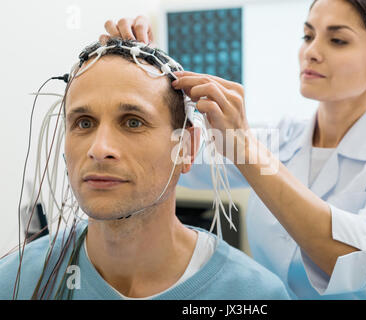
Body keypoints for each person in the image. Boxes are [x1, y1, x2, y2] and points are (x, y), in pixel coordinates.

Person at [104, 0, 366, 299]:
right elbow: (175, 159)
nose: (312, 51)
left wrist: (248, 151)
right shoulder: (280, 138)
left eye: (337, 40)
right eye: (308, 35)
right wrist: (141, 73)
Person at [0, 39, 291, 300]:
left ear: (186, 148)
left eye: (133, 122)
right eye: (84, 123)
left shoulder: (253, 295)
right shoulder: (14, 282)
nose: (99, 149)